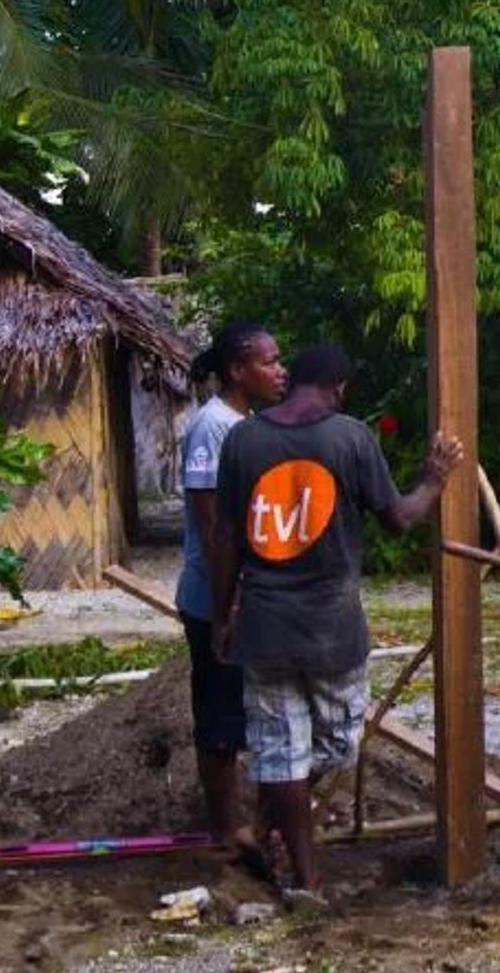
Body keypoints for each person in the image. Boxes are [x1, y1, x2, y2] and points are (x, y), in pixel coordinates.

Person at [210, 343, 465, 904]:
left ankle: (285, 853)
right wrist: (434, 479)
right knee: (338, 742)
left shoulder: (243, 440)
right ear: (339, 387)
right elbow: (399, 520)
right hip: (333, 629)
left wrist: (222, 612)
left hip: (264, 625)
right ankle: (303, 874)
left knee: (283, 753)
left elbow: (225, 536)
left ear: (293, 380)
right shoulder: (351, 438)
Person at [176, 322, 286, 864]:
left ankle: (254, 822)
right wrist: (229, 597)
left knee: (253, 713)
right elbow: (211, 523)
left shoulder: (246, 425)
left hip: (246, 598)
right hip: (215, 599)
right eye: (269, 362)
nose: (280, 371)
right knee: (220, 717)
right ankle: (224, 828)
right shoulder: (212, 428)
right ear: (238, 370)